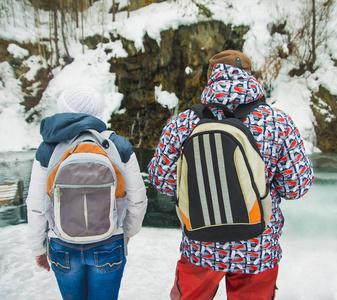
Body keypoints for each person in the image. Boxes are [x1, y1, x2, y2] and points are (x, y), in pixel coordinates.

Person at [148, 50, 314, 299]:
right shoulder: (278, 123)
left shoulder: (182, 123)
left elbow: (162, 182)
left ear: (210, 77)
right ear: (250, 75)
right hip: (258, 247)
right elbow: (296, 188)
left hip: (200, 244)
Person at [26, 85, 148, 300]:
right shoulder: (118, 145)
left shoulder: (47, 148)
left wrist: (38, 247)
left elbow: (36, 206)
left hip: (62, 243)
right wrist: (126, 233)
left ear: (64, 110)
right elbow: (138, 200)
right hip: (109, 241)